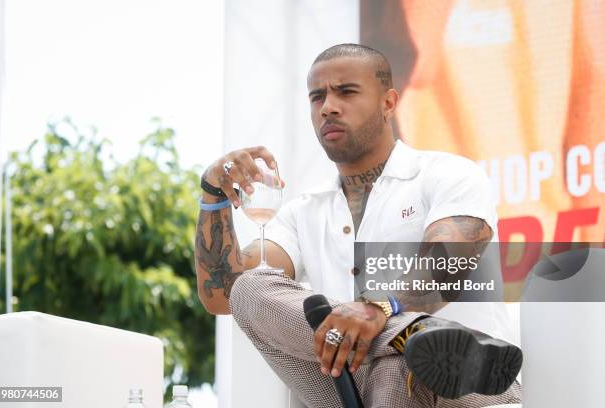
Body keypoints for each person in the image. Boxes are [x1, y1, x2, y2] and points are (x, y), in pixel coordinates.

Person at [195, 43, 522, 407]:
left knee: (403, 363)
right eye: (316, 97)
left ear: (388, 103)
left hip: (463, 384)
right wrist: (213, 193)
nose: (328, 107)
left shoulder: (447, 173)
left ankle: (413, 341)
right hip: (349, 383)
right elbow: (224, 295)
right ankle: (411, 335)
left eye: (346, 91)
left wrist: (378, 309)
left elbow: (450, 263)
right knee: (249, 288)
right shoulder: (304, 210)